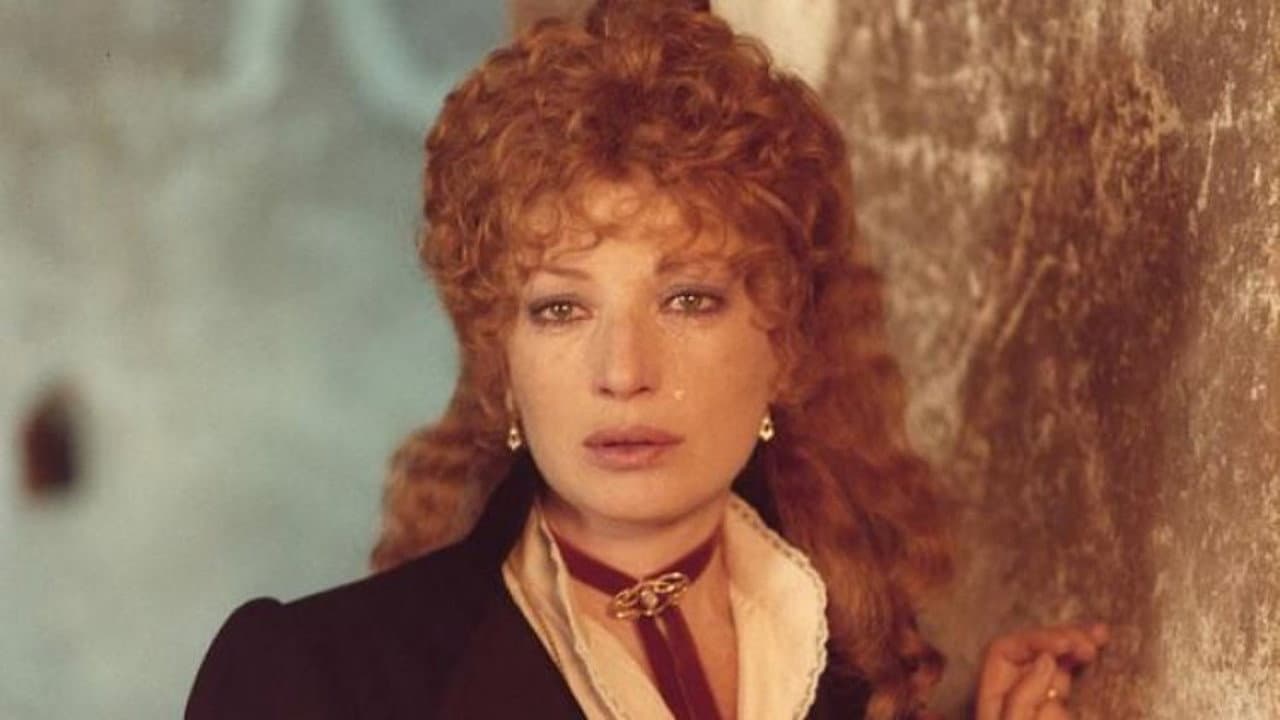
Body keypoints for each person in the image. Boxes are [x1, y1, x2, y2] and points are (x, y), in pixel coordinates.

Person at [185, 1, 1108, 718]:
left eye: (688, 299)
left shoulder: (856, 669)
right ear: (502, 359)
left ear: (785, 344)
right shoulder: (316, 681)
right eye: (560, 309)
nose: (623, 370)